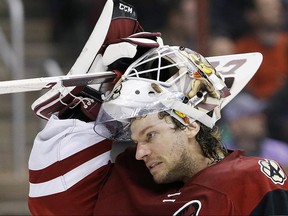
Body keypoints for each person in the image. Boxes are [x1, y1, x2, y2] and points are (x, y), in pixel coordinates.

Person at [28, 41, 288, 215]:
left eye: (150, 135)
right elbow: (54, 205)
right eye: (136, 140)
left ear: (190, 124)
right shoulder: (132, 176)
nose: (140, 152)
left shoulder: (250, 179)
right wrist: (83, 115)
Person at [234, 0, 288, 100]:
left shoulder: (285, 43)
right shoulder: (242, 48)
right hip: (254, 102)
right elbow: (243, 87)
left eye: (277, 7)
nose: (276, 11)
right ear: (252, 15)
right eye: (268, 7)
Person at [222, 91, 288, 172]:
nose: (261, 119)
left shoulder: (281, 153)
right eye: (252, 115)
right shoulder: (221, 156)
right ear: (234, 124)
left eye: (261, 114)